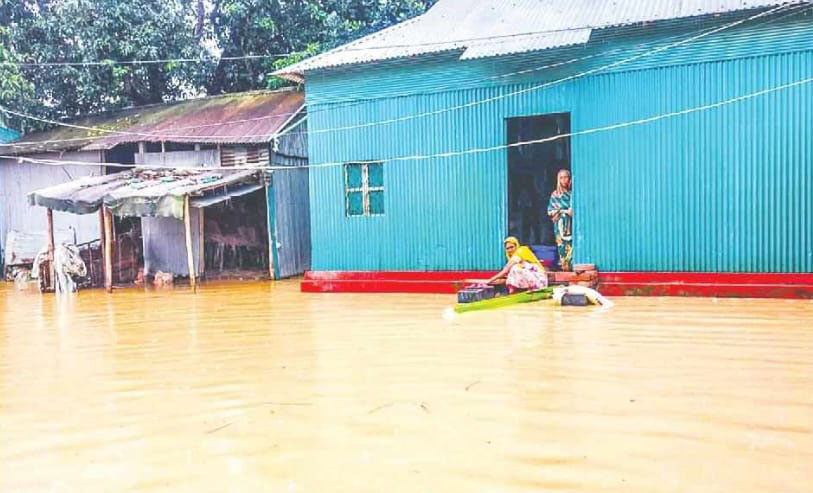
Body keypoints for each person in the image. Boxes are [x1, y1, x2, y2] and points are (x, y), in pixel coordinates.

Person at [547, 169, 572, 271]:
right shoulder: (555, 195)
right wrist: (565, 212)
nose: (563, 180)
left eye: (565, 177)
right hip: (561, 225)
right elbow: (550, 211)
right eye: (561, 178)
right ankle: (565, 268)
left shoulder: (572, 194)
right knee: (562, 247)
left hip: (572, 224)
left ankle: (572, 267)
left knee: (572, 247)